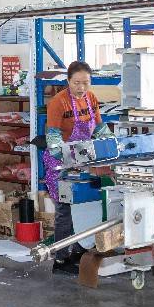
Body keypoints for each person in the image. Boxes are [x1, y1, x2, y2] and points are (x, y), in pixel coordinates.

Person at [42, 60, 103, 274]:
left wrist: (110, 144)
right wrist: (69, 161)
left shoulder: (91, 98)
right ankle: (60, 260)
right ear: (68, 81)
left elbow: (99, 128)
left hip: (83, 160)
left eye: (86, 82)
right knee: (65, 212)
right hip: (60, 163)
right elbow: (53, 140)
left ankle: (77, 251)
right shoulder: (58, 103)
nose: (81, 87)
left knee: (85, 207)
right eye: (77, 83)